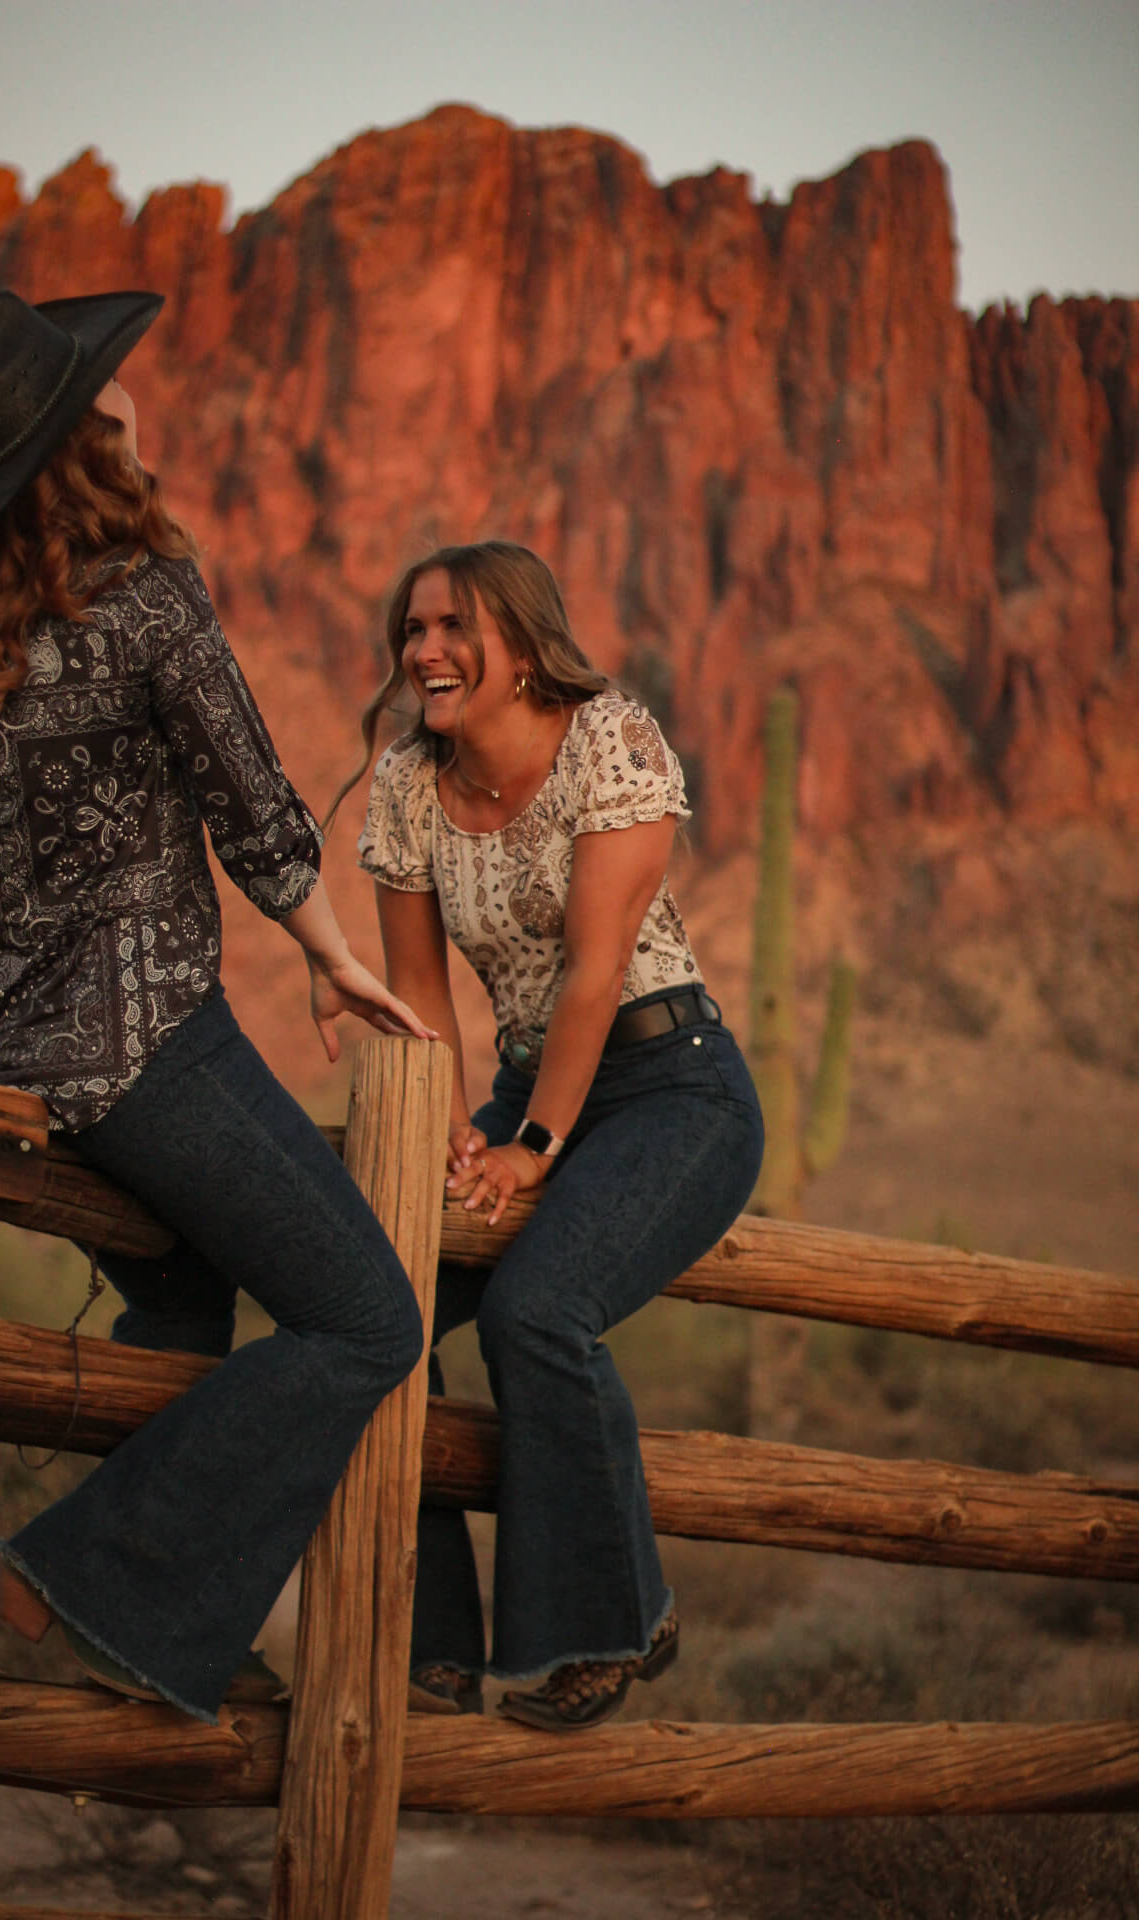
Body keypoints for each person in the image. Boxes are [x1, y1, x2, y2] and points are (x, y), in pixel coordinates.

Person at [0, 288, 430, 1723]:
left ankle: (153, 1627)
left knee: (186, 1310)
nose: (134, 411)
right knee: (371, 1319)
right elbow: (254, 808)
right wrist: (334, 955)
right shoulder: (145, 602)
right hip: (141, 1052)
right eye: (105, 405)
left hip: (4, 1051)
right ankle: (92, 1575)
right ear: (85, 451)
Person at [345, 540, 765, 1730]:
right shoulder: (406, 784)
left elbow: (592, 974)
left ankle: (606, 1625)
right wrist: (438, 1137)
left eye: (451, 626)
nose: (423, 649)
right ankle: (426, 1645)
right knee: (375, 1302)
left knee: (537, 1311)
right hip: (529, 1091)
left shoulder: (609, 741)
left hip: (669, 1087)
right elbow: (420, 999)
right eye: (412, 627)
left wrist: (530, 1142)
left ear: (522, 646)